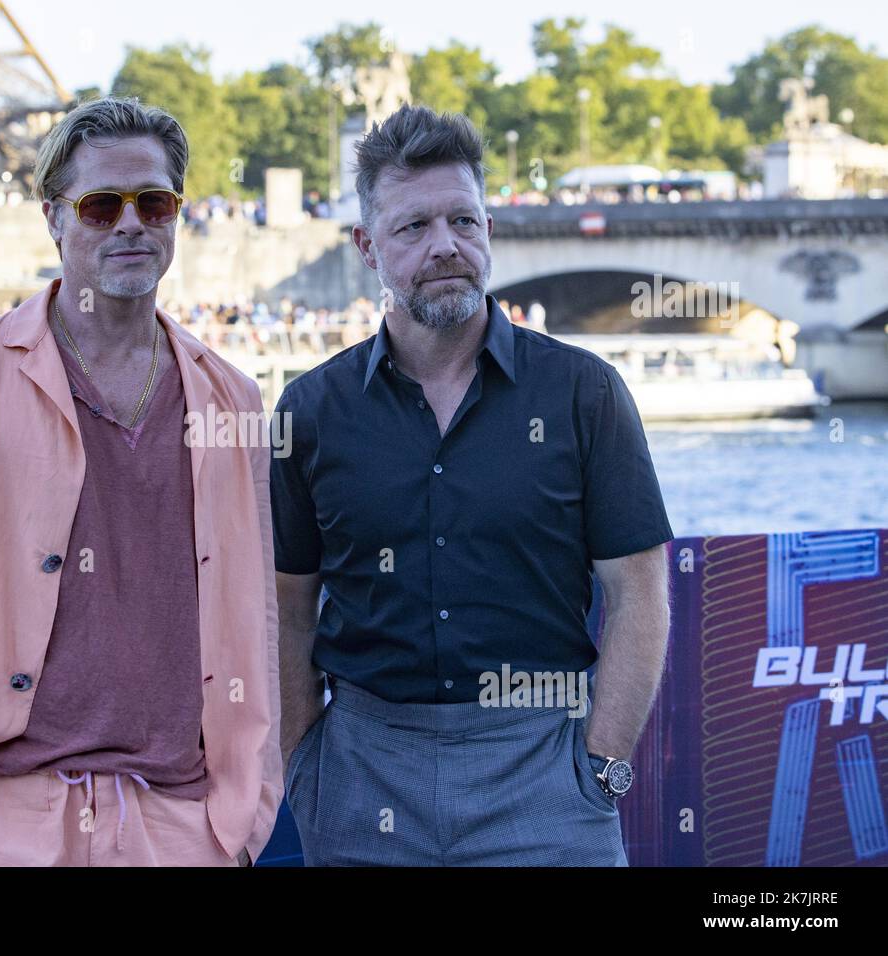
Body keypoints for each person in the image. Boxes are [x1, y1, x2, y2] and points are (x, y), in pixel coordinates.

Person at [0, 95, 281, 868]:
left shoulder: (234, 399)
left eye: (153, 202)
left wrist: (245, 818)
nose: (130, 224)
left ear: (176, 216)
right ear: (53, 219)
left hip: (187, 827)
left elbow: (253, 613)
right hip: (2, 822)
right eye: (99, 206)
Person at [271, 104, 673, 866]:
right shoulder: (311, 411)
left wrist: (602, 767)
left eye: (464, 219)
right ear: (366, 246)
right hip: (361, 779)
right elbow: (287, 608)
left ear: (490, 227)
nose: (444, 245)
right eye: (412, 227)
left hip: (547, 776)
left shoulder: (584, 394)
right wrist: (306, 765)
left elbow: (640, 592)